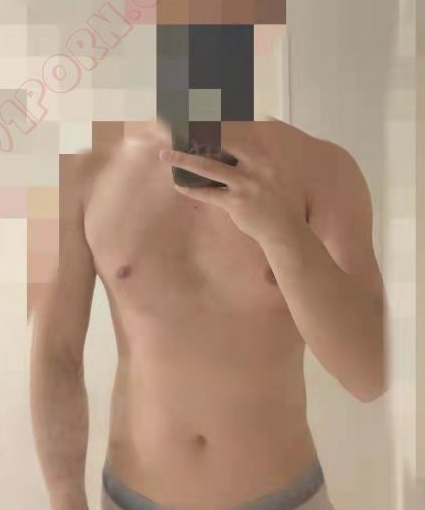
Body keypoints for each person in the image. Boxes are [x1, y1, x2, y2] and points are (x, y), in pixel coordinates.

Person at [29, 116, 386, 510]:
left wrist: (279, 229)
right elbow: (57, 354)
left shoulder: (321, 168)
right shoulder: (87, 171)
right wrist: (65, 496)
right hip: (132, 498)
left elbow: (370, 376)